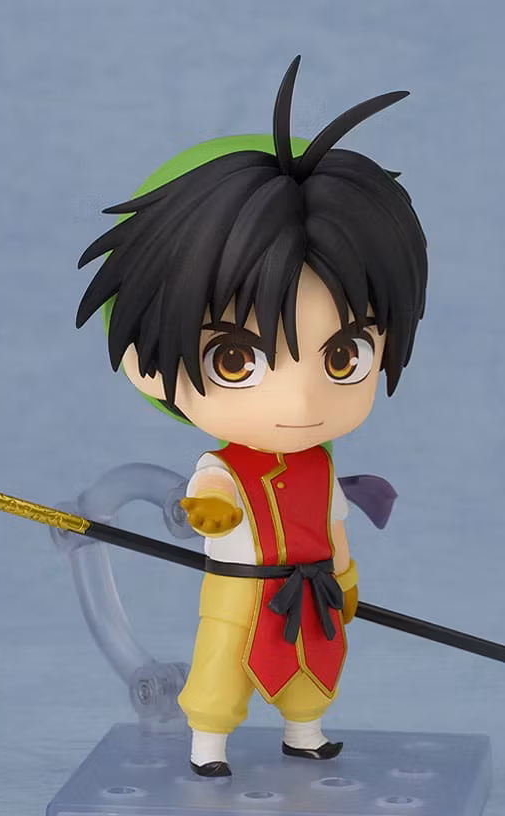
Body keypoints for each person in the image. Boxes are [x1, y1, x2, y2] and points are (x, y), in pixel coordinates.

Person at [76, 56, 428, 776]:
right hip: (241, 587)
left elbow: (332, 523)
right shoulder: (224, 465)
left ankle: (305, 731)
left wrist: (345, 577)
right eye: (236, 360)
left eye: (344, 356)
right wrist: (209, 512)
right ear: (148, 365)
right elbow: (212, 495)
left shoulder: (321, 465)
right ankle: (208, 743)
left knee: (315, 661)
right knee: (224, 662)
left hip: (311, 585)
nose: (300, 403)